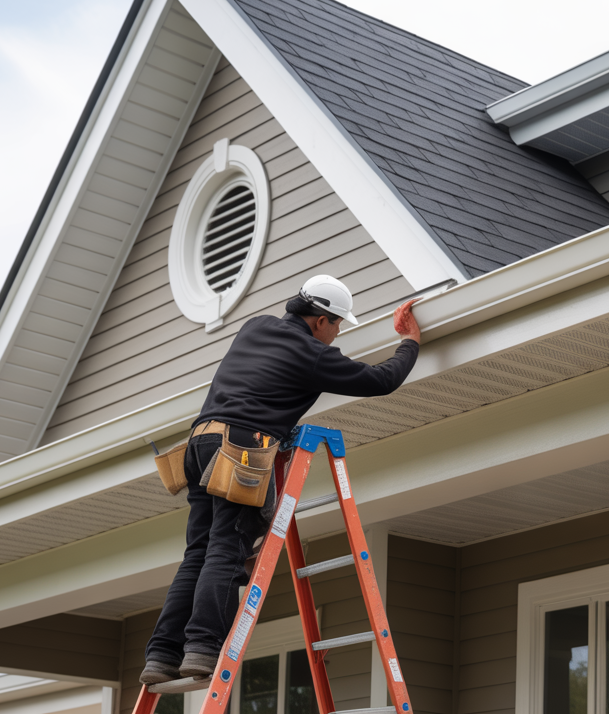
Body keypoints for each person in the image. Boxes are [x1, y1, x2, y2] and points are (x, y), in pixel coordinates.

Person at [141, 274, 422, 683]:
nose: (337, 332)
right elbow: (381, 381)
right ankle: (202, 648)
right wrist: (410, 341)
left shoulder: (255, 326)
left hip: (200, 443)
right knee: (226, 549)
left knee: (198, 553)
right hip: (239, 447)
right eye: (338, 323)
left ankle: (161, 655)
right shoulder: (312, 353)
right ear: (320, 320)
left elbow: (263, 382)